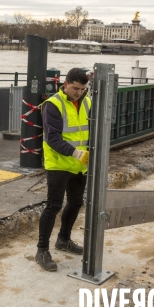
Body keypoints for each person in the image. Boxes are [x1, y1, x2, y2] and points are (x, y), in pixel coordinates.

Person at [35, 68, 91, 272]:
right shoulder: (53, 104)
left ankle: (64, 240)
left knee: (76, 202)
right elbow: (52, 138)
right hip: (59, 164)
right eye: (75, 88)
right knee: (53, 206)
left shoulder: (86, 101)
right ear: (65, 84)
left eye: (82, 89)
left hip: (79, 165)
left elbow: (88, 130)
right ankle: (42, 250)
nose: (79, 92)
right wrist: (76, 153)